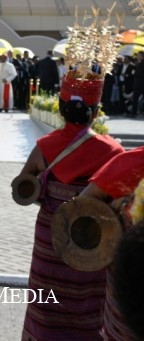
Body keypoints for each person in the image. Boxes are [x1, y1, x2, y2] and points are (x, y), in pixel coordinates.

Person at [14, 53, 124, 339]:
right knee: (90, 298)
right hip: (93, 238)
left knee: (46, 298)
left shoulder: (44, 147)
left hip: (52, 235)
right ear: (96, 111)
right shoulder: (113, 152)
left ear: (62, 109)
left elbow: (23, 187)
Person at [79, 146, 144, 340]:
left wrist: (121, 205)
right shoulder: (112, 148)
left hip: (130, 299)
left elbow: (82, 204)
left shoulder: (130, 162)